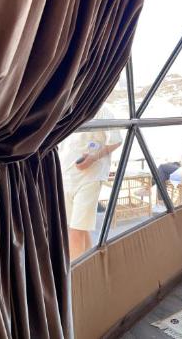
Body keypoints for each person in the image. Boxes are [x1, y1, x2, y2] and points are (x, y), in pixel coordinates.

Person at [59, 107, 122, 260]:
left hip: (90, 177)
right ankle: (90, 266)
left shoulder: (102, 110)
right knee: (79, 227)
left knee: (75, 231)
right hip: (67, 175)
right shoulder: (67, 107)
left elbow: (116, 140)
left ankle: (75, 276)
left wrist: (93, 157)